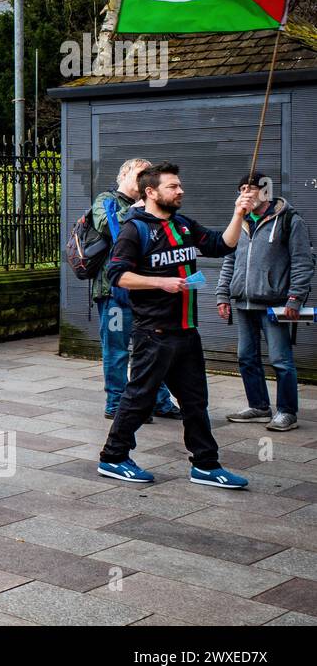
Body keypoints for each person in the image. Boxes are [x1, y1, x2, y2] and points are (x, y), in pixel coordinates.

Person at [98, 161, 253, 488]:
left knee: (195, 402)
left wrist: (239, 213)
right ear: (151, 192)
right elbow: (118, 276)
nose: (180, 190)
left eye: (180, 185)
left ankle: (206, 465)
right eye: (173, 186)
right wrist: (161, 284)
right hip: (153, 332)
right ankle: (113, 457)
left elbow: (222, 244)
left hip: (186, 331)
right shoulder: (134, 229)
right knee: (139, 398)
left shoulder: (183, 225)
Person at [217, 171, 312, 432]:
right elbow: (229, 259)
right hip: (243, 303)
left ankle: (287, 412)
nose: (246, 194)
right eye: (242, 189)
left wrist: (295, 298)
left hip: (275, 303)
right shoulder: (241, 221)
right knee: (246, 357)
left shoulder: (290, 220)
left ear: (265, 191)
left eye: (251, 188)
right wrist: (222, 295)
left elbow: (303, 262)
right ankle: (259, 407)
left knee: (281, 360)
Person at [91, 158, 180, 421]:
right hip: (115, 292)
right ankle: (116, 403)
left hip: (147, 292)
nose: (146, 179)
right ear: (124, 175)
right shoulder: (106, 200)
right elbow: (108, 226)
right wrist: (141, 207)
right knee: (117, 350)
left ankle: (159, 401)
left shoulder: (153, 205)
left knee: (152, 349)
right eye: (141, 173)